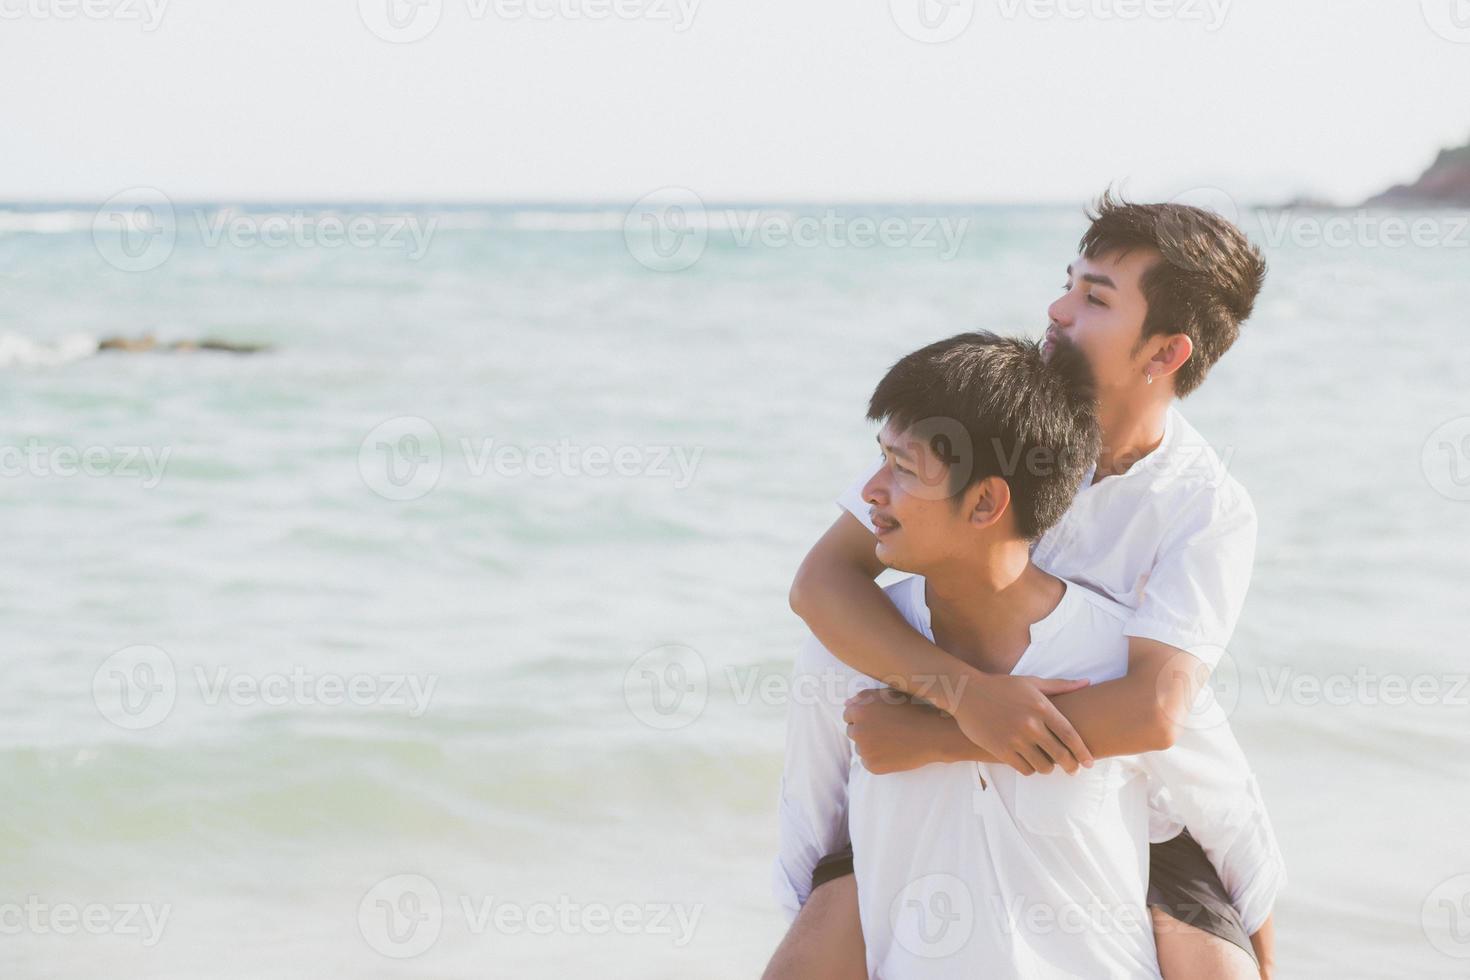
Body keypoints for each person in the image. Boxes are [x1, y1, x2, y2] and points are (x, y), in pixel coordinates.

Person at [768, 193, 1284, 979]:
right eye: (1069, 282)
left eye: (1094, 298)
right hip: (936, 731)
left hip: (1131, 808)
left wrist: (946, 731)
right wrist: (963, 694)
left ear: (1166, 353)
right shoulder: (994, 419)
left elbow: (1154, 708)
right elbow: (822, 584)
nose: (1058, 309)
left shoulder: (1205, 508)